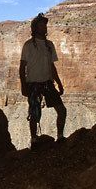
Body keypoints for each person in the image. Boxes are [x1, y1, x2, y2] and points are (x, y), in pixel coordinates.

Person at [19, 13, 67, 145]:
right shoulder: (28, 45)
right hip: (33, 84)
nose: (44, 28)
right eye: (41, 25)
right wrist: (23, 86)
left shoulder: (49, 45)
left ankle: (60, 136)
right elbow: (22, 67)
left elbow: (52, 66)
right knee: (34, 114)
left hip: (47, 83)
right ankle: (34, 139)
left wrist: (59, 83)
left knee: (62, 110)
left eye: (45, 25)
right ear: (35, 28)